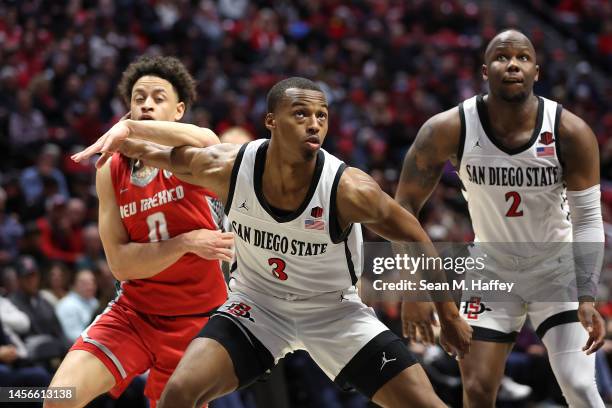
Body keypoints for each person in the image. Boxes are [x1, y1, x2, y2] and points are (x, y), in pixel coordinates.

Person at [77, 76, 473, 408]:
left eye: (321, 116)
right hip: (257, 306)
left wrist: (448, 311)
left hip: (333, 312)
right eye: (301, 114)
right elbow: (160, 155)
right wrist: (124, 135)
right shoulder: (228, 168)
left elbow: (414, 234)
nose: (314, 124)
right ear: (271, 121)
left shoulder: (349, 189)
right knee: (179, 392)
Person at [395, 29, 605, 407]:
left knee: (578, 385)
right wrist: (414, 287)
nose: (512, 64)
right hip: (492, 269)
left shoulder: (569, 131)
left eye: (522, 57)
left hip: (555, 269)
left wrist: (588, 292)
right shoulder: (449, 128)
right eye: (502, 57)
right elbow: (403, 208)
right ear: (484, 70)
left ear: (536, 71)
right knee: (476, 390)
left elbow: (588, 218)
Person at [45, 56, 233, 408]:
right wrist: (185, 243)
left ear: (179, 110)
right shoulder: (109, 169)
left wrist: (132, 130)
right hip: (134, 314)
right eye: (138, 97)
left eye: (158, 98)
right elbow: (121, 265)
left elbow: (206, 136)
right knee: (58, 398)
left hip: (197, 324)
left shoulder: (196, 155)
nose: (146, 104)